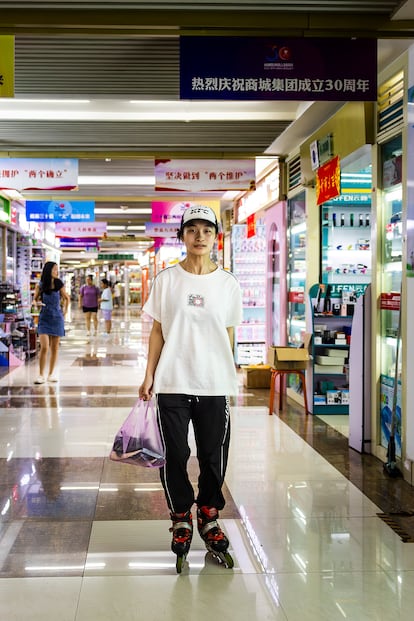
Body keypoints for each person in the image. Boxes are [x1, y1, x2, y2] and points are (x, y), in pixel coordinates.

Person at [138, 205, 242, 570]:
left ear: (216, 237)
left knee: (214, 454)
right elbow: (157, 331)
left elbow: (229, 332)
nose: (200, 237)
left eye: (207, 231)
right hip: (173, 380)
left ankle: (209, 513)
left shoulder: (227, 283)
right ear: (182, 235)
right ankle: (181, 514)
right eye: (192, 230)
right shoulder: (167, 280)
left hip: (214, 382)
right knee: (177, 454)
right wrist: (149, 374)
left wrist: (231, 373)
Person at [33, 261, 70, 384]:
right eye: (55, 269)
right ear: (48, 270)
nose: (56, 271)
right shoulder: (41, 285)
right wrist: (36, 304)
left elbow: (66, 298)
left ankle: (51, 374)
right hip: (44, 317)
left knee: (54, 348)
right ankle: (40, 375)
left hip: (57, 317)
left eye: (57, 269)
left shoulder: (59, 283)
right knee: (44, 347)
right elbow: (35, 299)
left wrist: (64, 311)